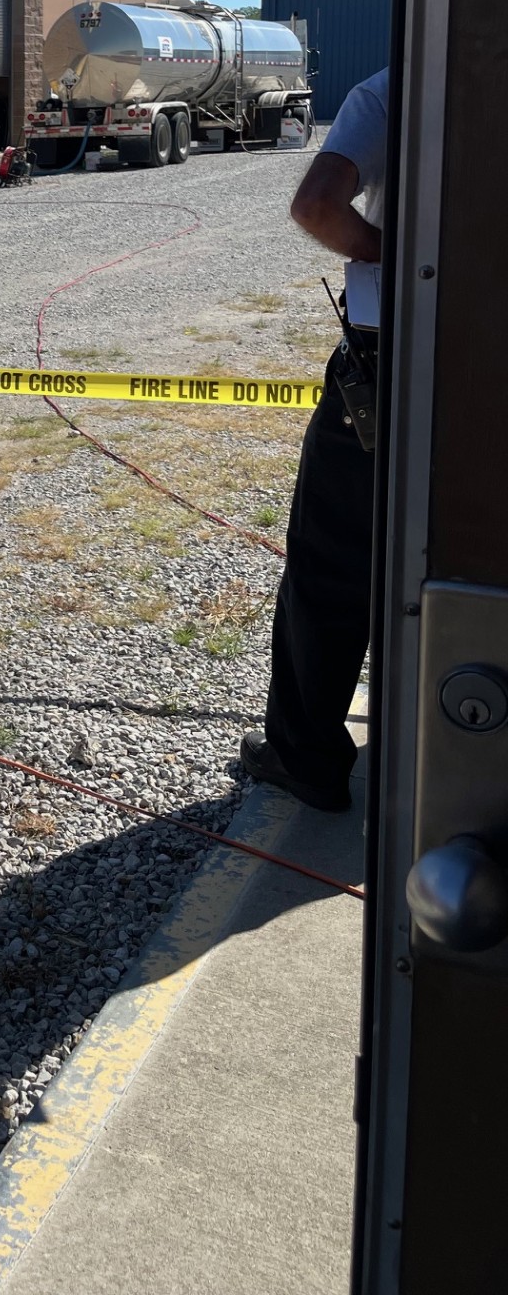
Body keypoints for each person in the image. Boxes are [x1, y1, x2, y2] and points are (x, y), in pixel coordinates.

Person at [240, 67, 389, 811]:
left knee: (332, 562)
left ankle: (306, 756)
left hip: (391, 361)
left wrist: (394, 256)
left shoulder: (396, 89)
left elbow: (318, 205)